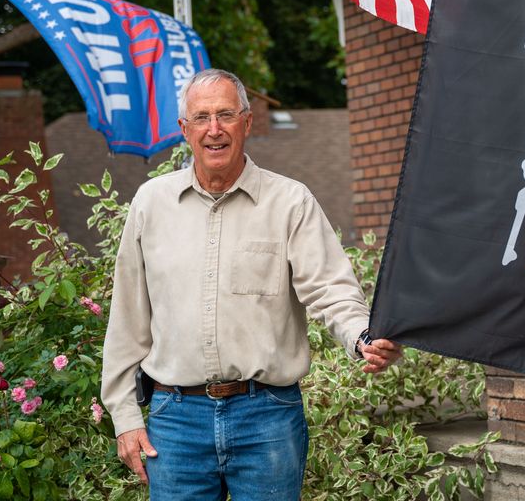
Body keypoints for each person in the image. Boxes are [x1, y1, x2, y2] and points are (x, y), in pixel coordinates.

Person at [101, 68, 402, 500]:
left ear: (248, 122)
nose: (214, 129)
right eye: (201, 118)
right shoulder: (152, 204)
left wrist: (362, 337)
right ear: (184, 130)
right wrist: (125, 415)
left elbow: (330, 290)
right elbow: (128, 318)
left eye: (226, 114)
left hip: (267, 419)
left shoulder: (290, 202)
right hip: (175, 420)